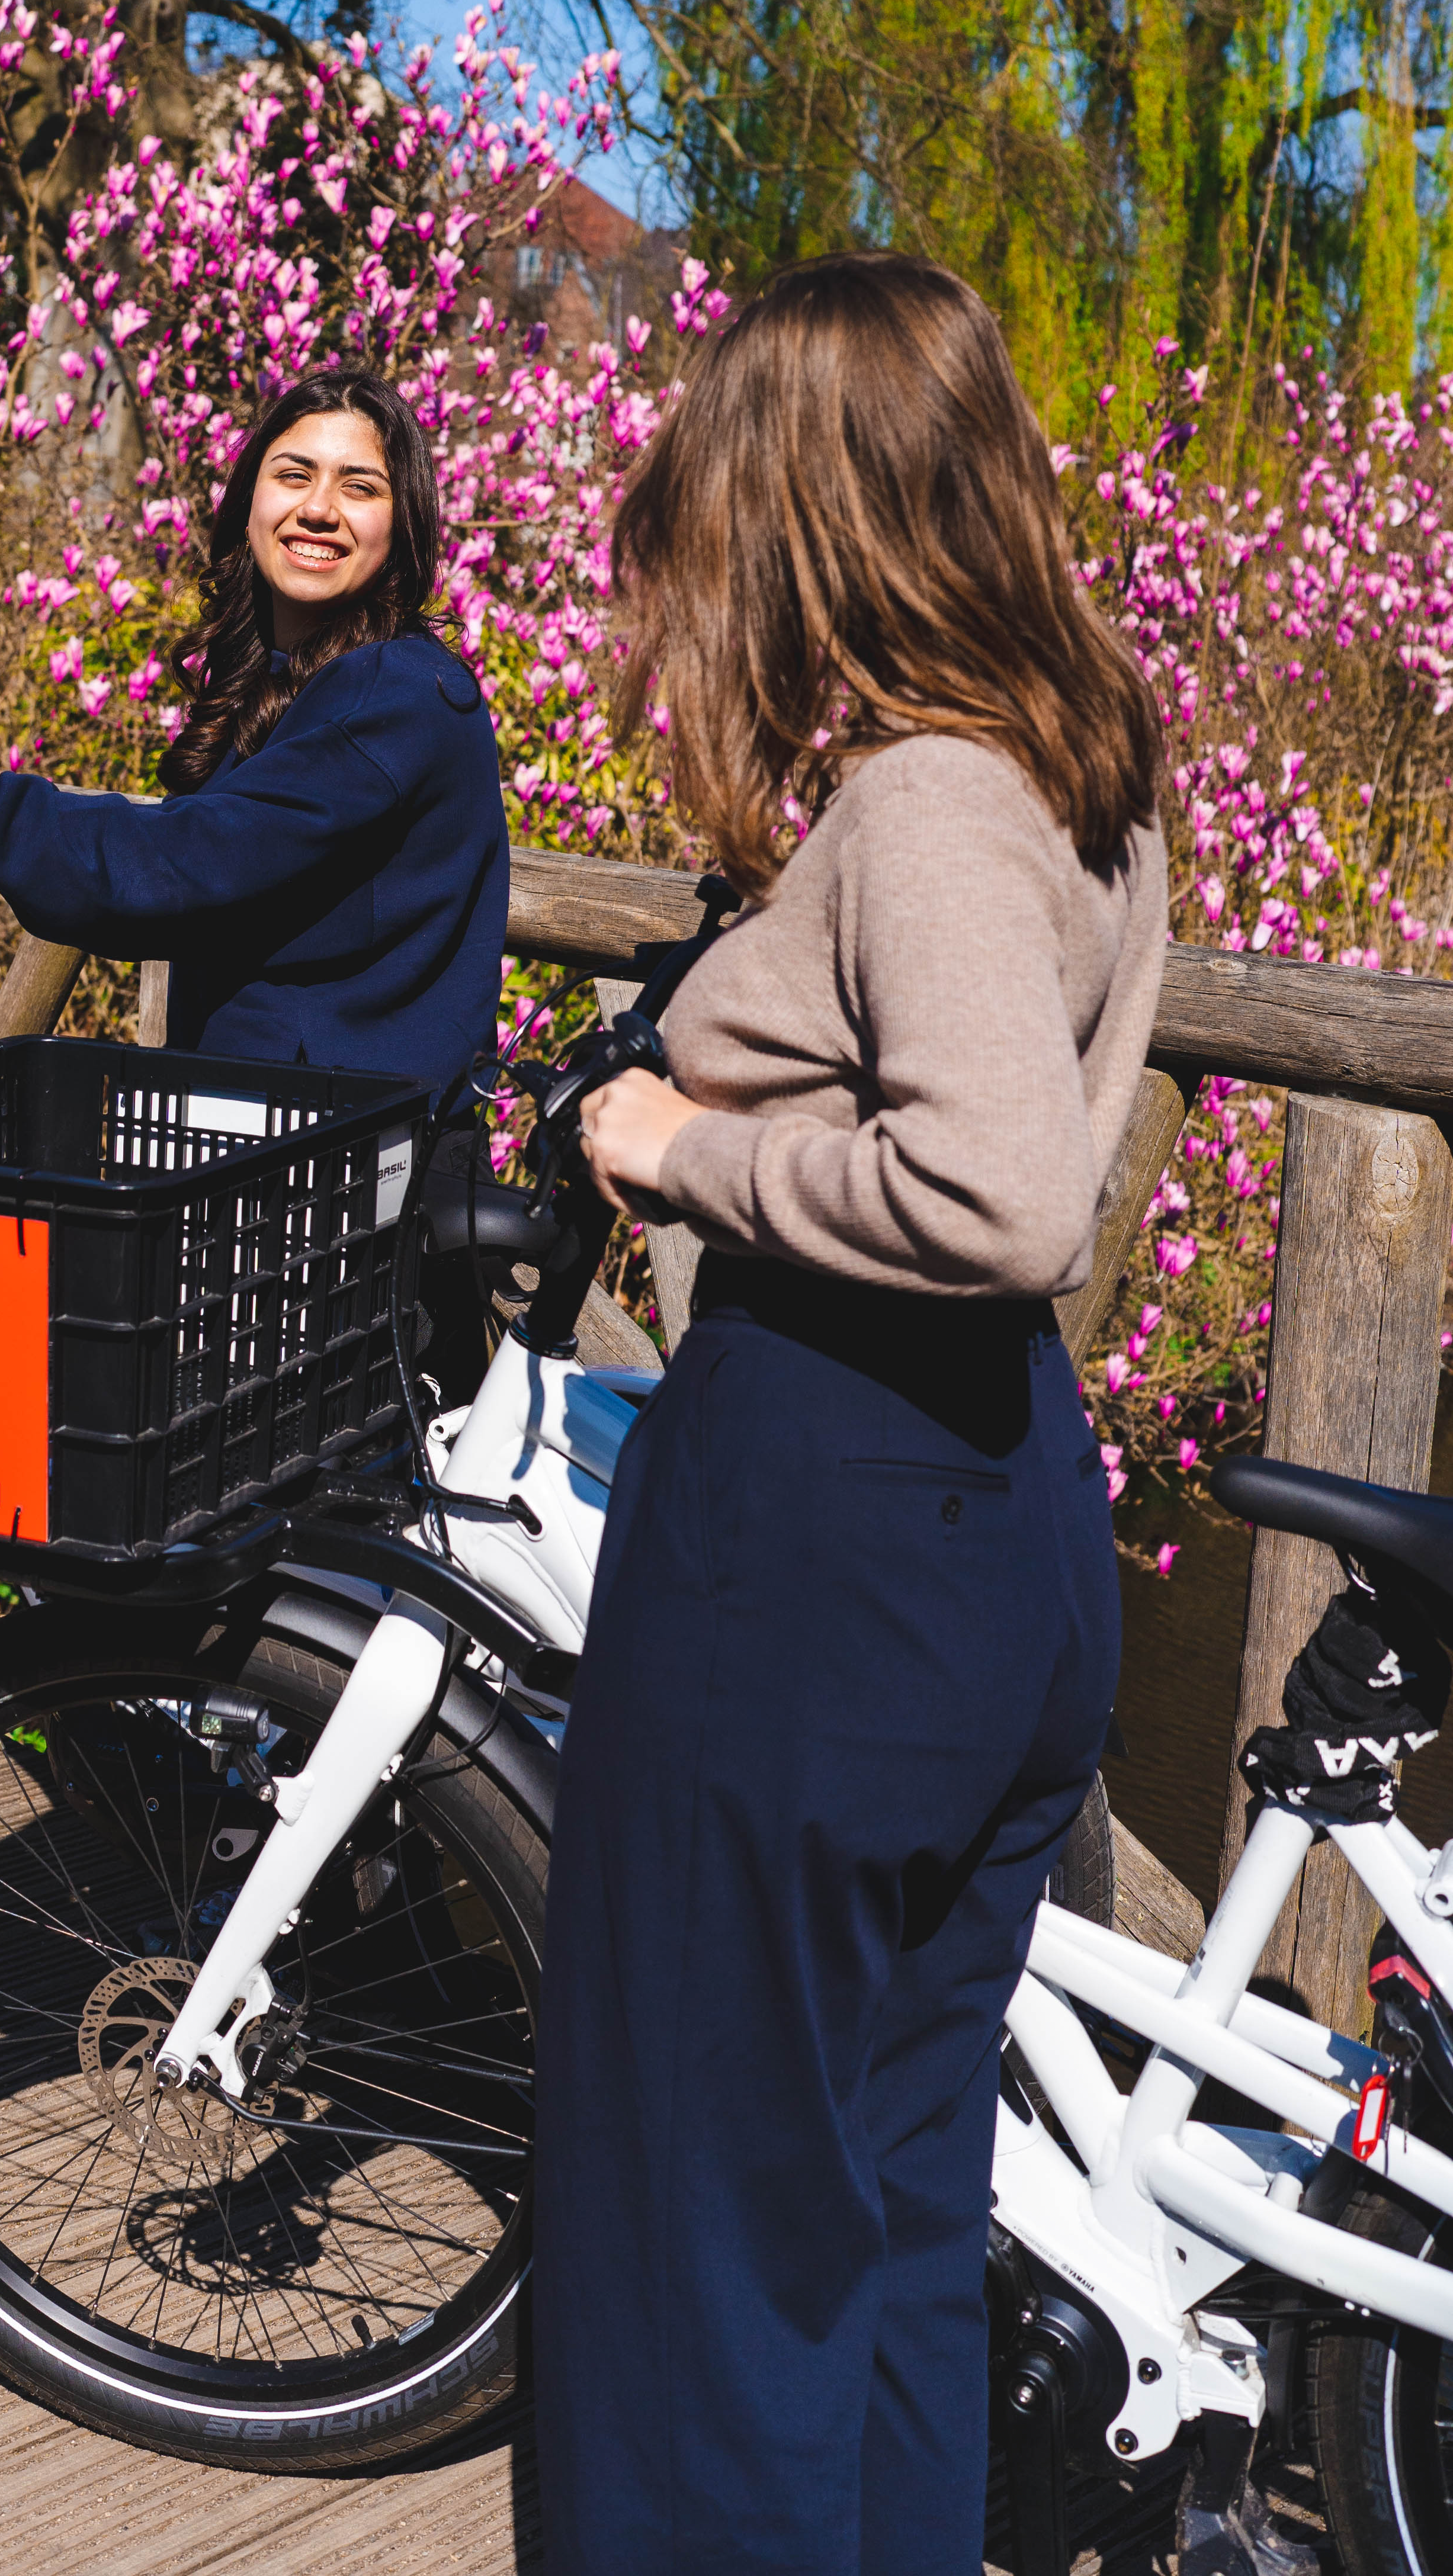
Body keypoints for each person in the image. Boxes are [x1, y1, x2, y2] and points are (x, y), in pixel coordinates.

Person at [540, 253, 1166, 2576]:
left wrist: (679, 1145)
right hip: (1003, 1529)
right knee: (895, 2198)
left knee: (703, 2219)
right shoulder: (1097, 767)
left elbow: (1001, 1193)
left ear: (807, 502)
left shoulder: (926, 793)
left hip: (825, 1525)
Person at [0, 369, 507, 1096]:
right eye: (294, 475)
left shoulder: (401, 694)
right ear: (250, 502)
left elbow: (191, 862)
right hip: (263, 1125)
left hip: (352, 1146)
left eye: (359, 488)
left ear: (403, 525)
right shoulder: (282, 678)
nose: (318, 509)